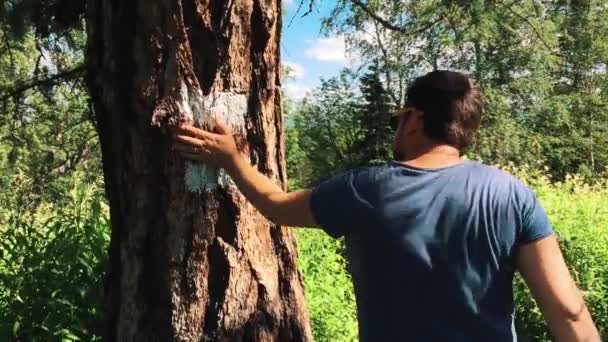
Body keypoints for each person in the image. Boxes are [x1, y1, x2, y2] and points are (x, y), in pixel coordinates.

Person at [172, 70, 600, 341]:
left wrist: (230, 158)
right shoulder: (512, 195)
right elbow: (567, 310)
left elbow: (277, 205)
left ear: (414, 119)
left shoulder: (367, 189)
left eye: (397, 120)